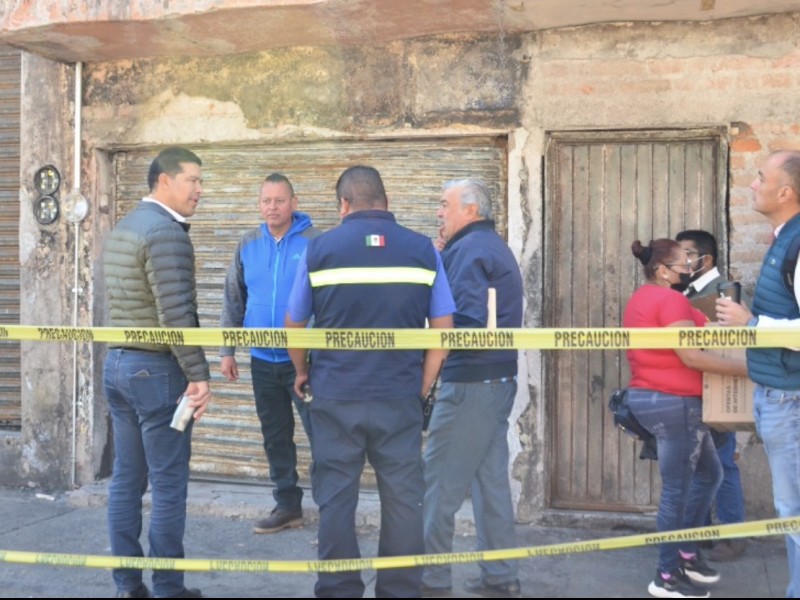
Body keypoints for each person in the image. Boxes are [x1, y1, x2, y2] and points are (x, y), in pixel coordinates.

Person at [285, 165, 455, 598]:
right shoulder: (423, 249)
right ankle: (399, 590)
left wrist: (302, 371)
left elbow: (294, 323)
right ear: (386, 201)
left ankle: (339, 588)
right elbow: (443, 330)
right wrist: (422, 386)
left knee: (336, 498)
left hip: (335, 397)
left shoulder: (319, 249)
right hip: (398, 397)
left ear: (343, 204)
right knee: (403, 499)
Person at [102, 147, 211, 599]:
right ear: (164, 181)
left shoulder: (125, 226)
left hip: (118, 365)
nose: (199, 190)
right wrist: (198, 375)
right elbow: (176, 313)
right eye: (193, 180)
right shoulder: (166, 233)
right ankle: (168, 588)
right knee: (167, 484)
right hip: (156, 372)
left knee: (127, 479)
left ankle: (128, 585)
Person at [624, 238, 747, 600]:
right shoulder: (671, 300)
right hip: (674, 403)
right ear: (663, 271)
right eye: (683, 262)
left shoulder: (643, 297)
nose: (689, 267)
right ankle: (665, 575)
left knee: (710, 474)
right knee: (677, 491)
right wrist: (747, 370)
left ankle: (686, 554)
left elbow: (702, 331)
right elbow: (691, 356)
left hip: (655, 399)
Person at [421, 179, 524, 598]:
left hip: (470, 384)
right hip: (495, 379)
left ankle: (430, 580)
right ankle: (500, 576)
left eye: (444, 205)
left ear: (471, 209)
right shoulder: (485, 246)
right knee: (489, 483)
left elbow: (463, 322)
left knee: (438, 484)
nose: (439, 213)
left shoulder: (470, 250)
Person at [716, 150, 800, 598]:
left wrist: (750, 323)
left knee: (794, 510)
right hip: (779, 394)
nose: (752, 184)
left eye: (761, 177)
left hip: (791, 398)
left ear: (785, 192)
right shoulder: (784, 239)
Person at [219, 173, 319, 534]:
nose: (272, 207)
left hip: (306, 362)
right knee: (275, 437)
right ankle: (288, 506)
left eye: (279, 200)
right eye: (266, 201)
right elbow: (234, 297)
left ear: (294, 203)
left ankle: (332, 507)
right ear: (259, 204)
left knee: (322, 435)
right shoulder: (248, 243)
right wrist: (227, 350)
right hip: (262, 360)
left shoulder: (315, 242)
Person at [675, 229, 747, 562]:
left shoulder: (723, 293)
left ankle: (733, 536)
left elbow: (733, 343)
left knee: (723, 463)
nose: (682, 261)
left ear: (706, 259)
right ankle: (700, 531)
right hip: (696, 387)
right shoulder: (688, 291)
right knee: (699, 465)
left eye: (688, 254)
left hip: (718, 389)